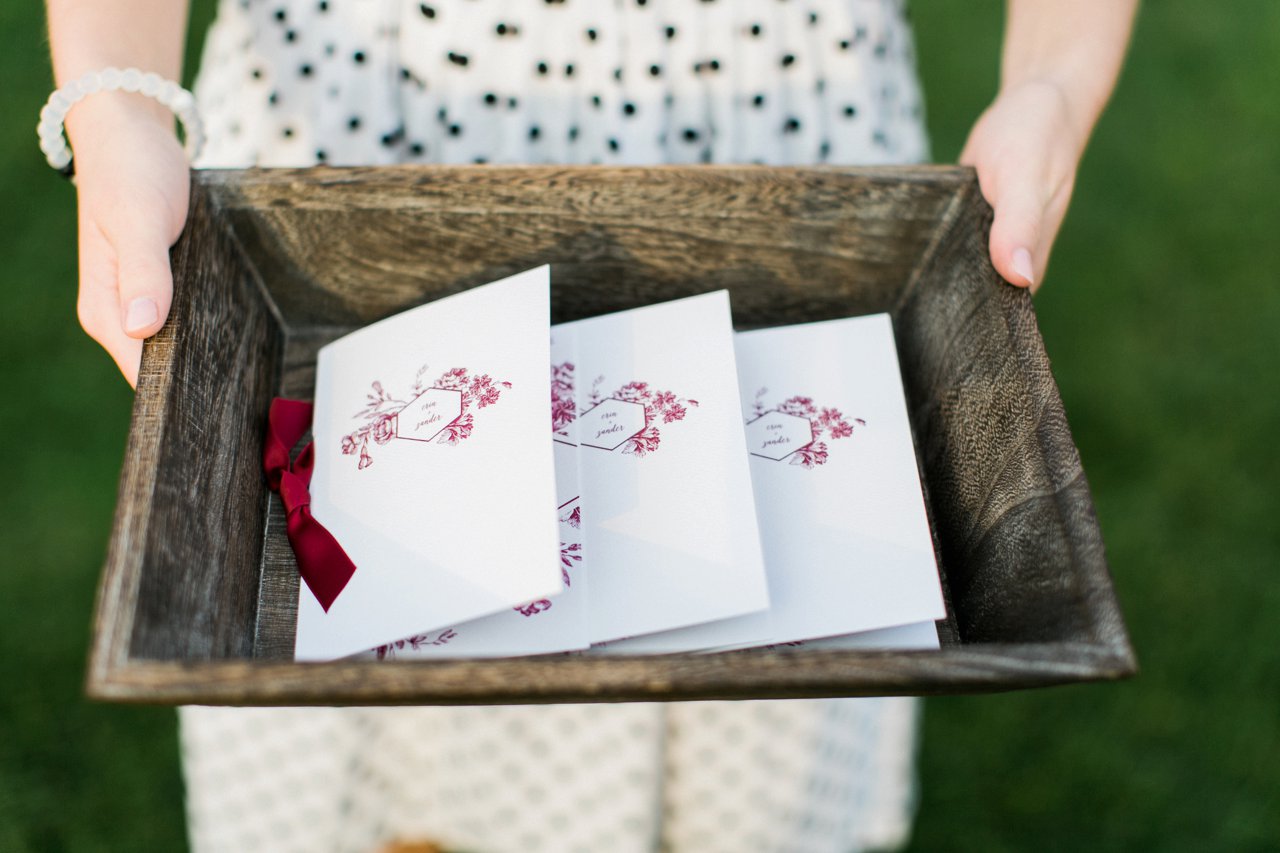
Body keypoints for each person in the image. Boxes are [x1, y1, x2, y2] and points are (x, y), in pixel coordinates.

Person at [44, 1, 1137, 850]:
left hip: (781, 146)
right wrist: (117, 105)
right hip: (362, 155)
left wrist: (1050, 81)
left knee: (762, 682)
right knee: (367, 741)